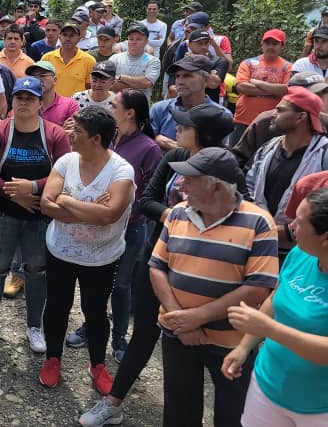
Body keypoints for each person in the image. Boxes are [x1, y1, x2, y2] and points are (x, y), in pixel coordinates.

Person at [80, 102, 237, 427]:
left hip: (207, 273)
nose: (176, 128)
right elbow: (148, 199)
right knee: (145, 334)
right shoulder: (176, 157)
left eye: (185, 125)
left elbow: (237, 214)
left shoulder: (229, 169)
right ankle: (113, 402)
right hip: (158, 259)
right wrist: (179, 218)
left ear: (204, 134)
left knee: (204, 349)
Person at [148, 147, 279, 426]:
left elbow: (258, 288)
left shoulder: (259, 222)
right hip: (178, 336)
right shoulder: (178, 213)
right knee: (178, 413)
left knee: (232, 417)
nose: (181, 185)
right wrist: (181, 321)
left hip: (232, 345)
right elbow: (157, 266)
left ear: (216, 186)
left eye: (190, 179)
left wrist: (197, 317)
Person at [38, 106, 135, 395]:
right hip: (61, 252)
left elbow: (110, 216)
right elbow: (46, 203)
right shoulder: (67, 162)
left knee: (94, 311)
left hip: (101, 257)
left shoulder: (121, 170)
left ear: (96, 139)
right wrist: (92, 209)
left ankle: (98, 364)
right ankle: (53, 358)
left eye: (77, 131)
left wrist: (66, 201)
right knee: (56, 307)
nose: (70, 134)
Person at [64, 90, 162, 359]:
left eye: (114, 104)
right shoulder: (108, 138)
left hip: (130, 228)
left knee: (121, 285)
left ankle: (119, 338)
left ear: (130, 112)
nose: (109, 106)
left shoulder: (148, 148)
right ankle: (91, 325)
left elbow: (154, 193)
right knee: (96, 283)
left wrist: (124, 201)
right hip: (92, 222)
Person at [221, 189, 328, 426]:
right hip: (268, 386)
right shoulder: (300, 254)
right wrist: (244, 346)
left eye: (299, 223)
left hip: (319, 407)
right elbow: (275, 299)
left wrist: (270, 330)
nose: (291, 227)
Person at [0, 76, 71, 352]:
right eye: (19, 97)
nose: (23, 103)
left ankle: (34, 326)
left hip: (39, 216)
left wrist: (32, 189)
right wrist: (14, 194)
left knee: (36, 271)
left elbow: (64, 172)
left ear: (41, 103)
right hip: (2, 213)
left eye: (30, 98)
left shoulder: (55, 134)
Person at [246, 87, 328, 259]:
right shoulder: (267, 148)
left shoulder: (324, 154)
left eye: (280, 110)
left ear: (300, 117)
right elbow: (249, 184)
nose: (273, 114)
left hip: (302, 252)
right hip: (258, 245)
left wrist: (289, 231)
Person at [150, 55, 229, 151]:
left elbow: (219, 155)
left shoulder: (221, 115)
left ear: (206, 80)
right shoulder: (160, 109)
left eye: (187, 76)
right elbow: (144, 144)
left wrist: (167, 143)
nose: (180, 81)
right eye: (177, 76)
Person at [232, 29, 293, 144]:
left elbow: (286, 90)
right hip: (243, 121)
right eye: (267, 43)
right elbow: (242, 87)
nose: (270, 47)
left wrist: (259, 83)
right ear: (262, 44)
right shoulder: (247, 63)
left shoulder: (288, 67)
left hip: (272, 123)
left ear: (282, 46)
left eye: (275, 44)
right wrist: (274, 89)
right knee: (235, 158)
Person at [108, 24, 161, 96]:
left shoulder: (153, 61)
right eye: (131, 39)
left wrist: (122, 78)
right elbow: (109, 84)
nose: (134, 42)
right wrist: (138, 85)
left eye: (138, 39)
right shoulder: (114, 59)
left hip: (140, 105)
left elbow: (147, 83)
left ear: (146, 41)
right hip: (116, 105)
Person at [24, 61, 80, 127]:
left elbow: (74, 131)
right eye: (34, 77)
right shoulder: (25, 103)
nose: (38, 80)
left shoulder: (69, 105)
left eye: (42, 76)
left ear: (55, 80)